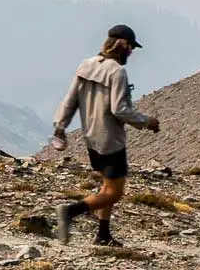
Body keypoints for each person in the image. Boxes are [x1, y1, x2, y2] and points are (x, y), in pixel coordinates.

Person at [52, 23, 160, 246]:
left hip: (91, 136)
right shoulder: (117, 71)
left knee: (105, 187)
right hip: (111, 140)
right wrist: (147, 122)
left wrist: (60, 127)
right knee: (114, 193)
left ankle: (103, 234)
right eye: (131, 48)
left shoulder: (86, 65)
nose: (132, 53)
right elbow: (119, 110)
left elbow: (70, 99)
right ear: (124, 45)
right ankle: (69, 212)